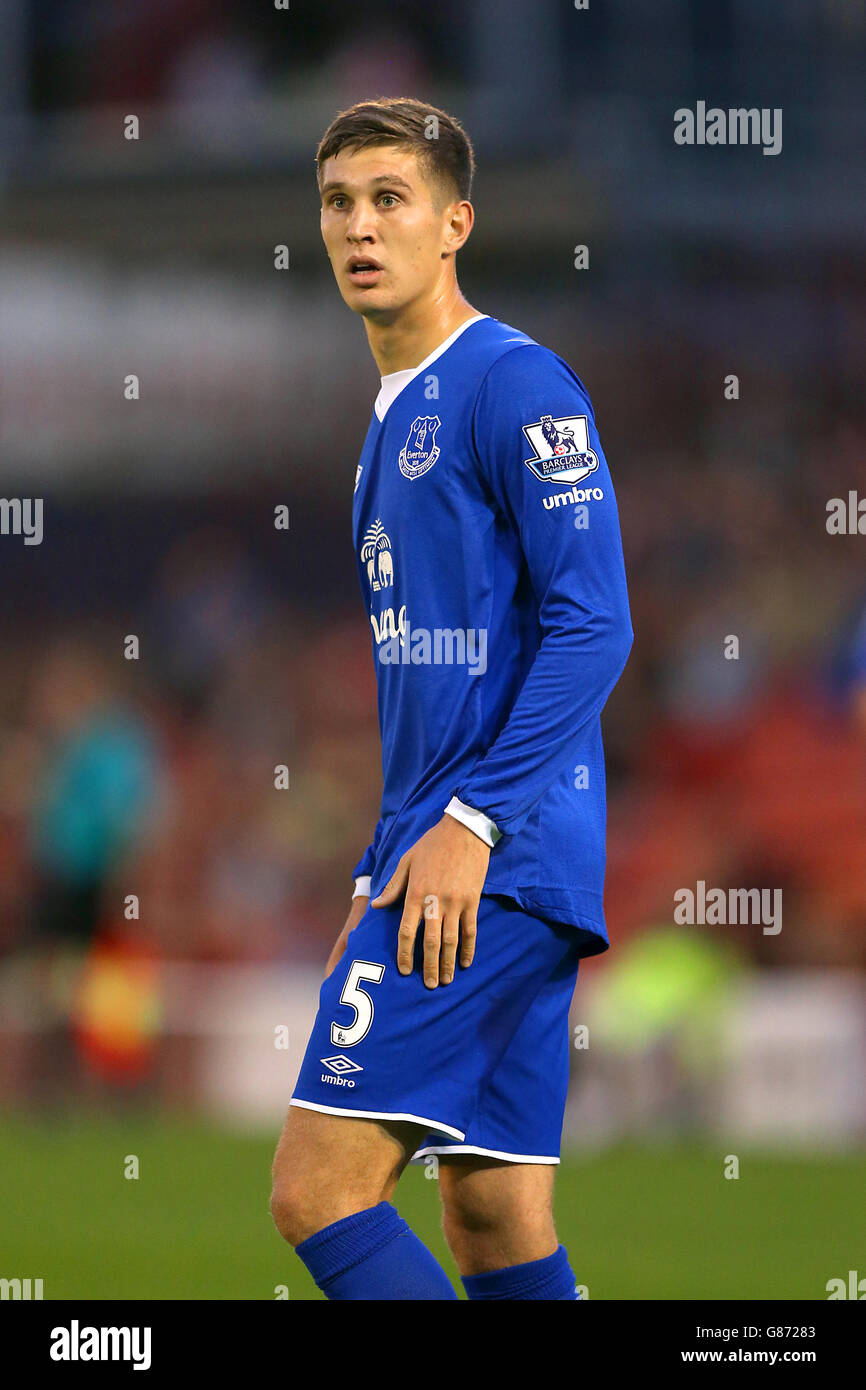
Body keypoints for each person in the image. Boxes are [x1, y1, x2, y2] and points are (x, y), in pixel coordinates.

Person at [270, 97, 633, 1301]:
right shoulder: (386, 422)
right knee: (492, 1215)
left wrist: (465, 827)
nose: (358, 227)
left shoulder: (513, 384)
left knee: (319, 1189)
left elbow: (596, 626)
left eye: (390, 200)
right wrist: (385, 858)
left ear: (453, 225)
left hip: (497, 851)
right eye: (338, 202)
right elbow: (437, 692)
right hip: (460, 852)